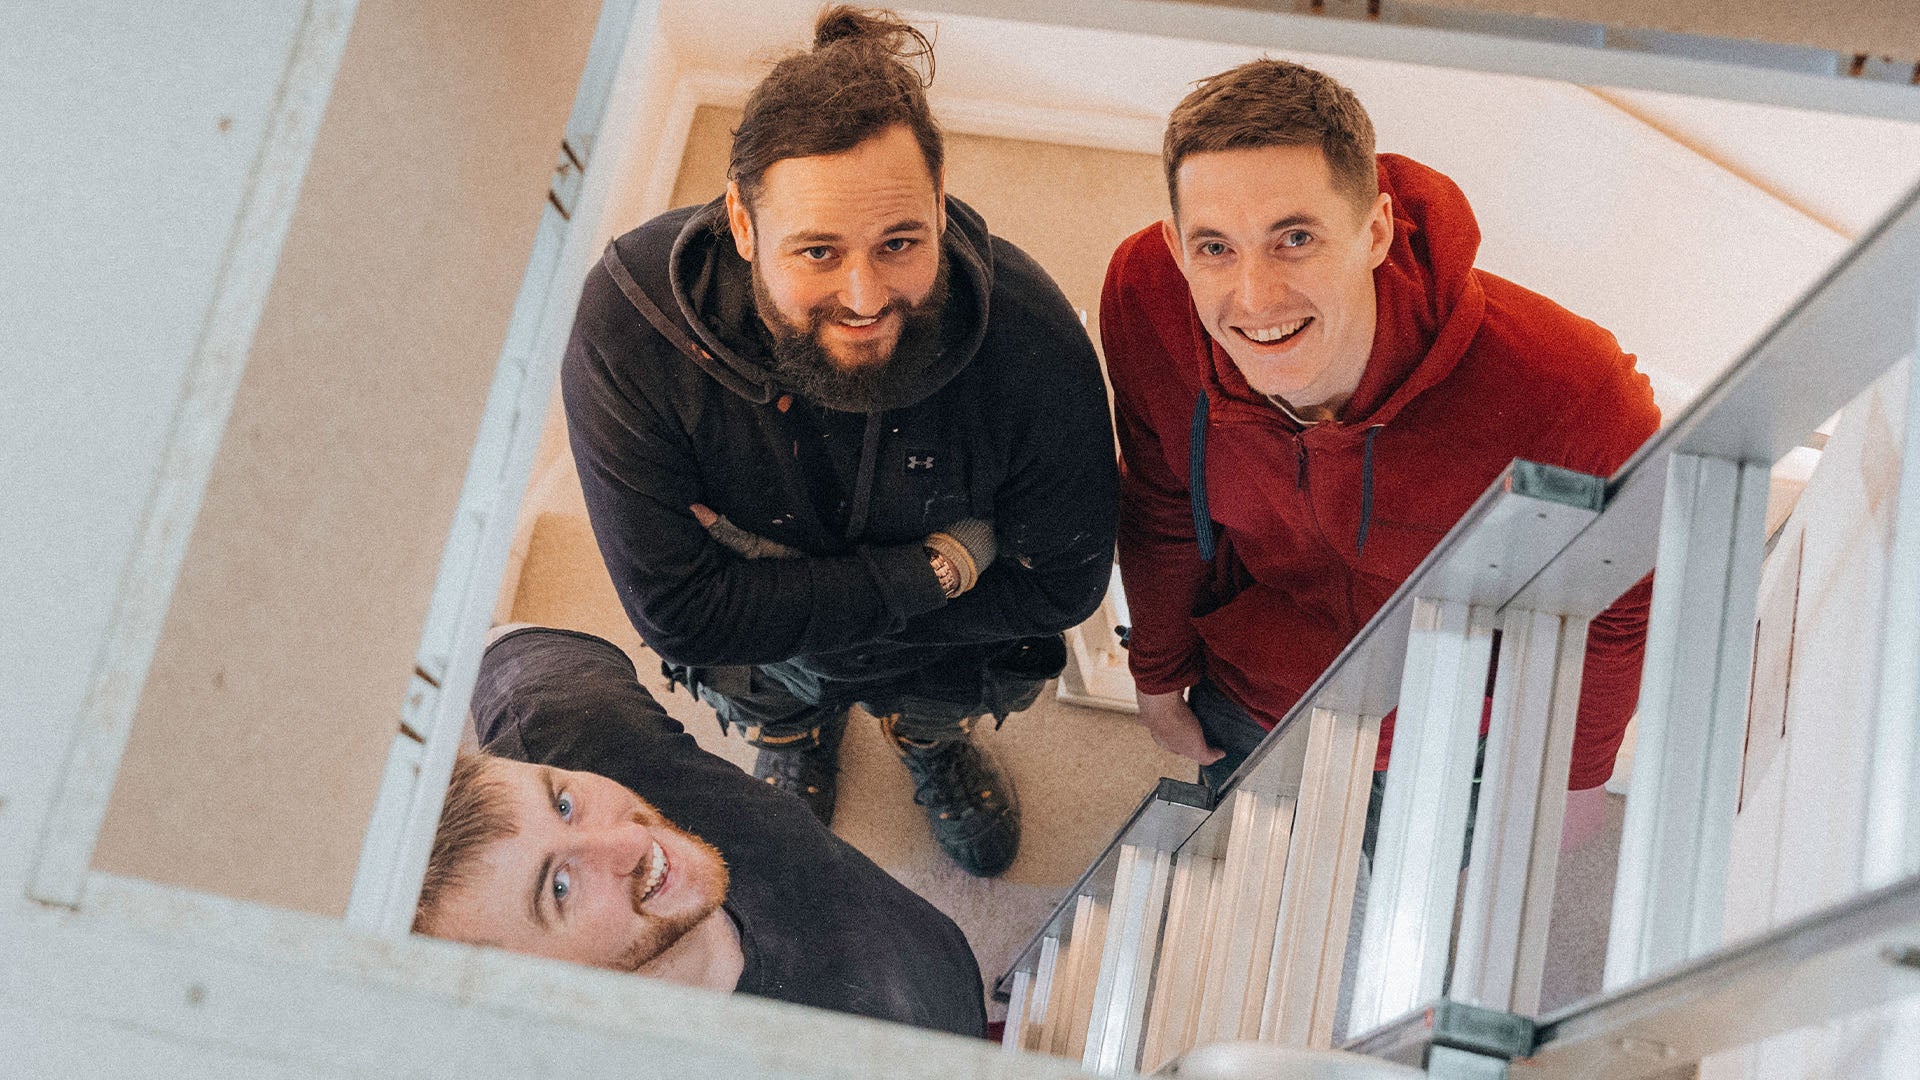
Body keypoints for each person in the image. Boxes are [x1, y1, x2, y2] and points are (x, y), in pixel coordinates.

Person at [561, 7, 1116, 876]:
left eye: (900, 242)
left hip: (944, 656)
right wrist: (939, 567)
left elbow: (1062, 591)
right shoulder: (629, 328)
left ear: (939, 203)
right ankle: (795, 736)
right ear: (743, 227)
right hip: (810, 652)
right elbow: (678, 615)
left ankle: (925, 740)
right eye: (817, 252)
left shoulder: (1032, 341)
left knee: (932, 702)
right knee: (777, 700)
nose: (865, 297)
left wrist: (764, 578)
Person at [1102, 59, 1658, 840]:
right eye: (1215, 248)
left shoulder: (1568, 389)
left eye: (1294, 238)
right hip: (1253, 695)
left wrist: (1573, 774)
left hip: (1455, 724)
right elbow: (1161, 496)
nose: (1254, 298)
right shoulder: (1146, 297)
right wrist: (1158, 673)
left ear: (1377, 230)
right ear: (1175, 244)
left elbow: (1617, 599)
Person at [414, 625, 988, 1037]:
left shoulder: (565, 728)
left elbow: (511, 645)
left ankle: (797, 739)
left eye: (563, 804)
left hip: (939, 965)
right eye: (560, 888)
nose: (633, 843)